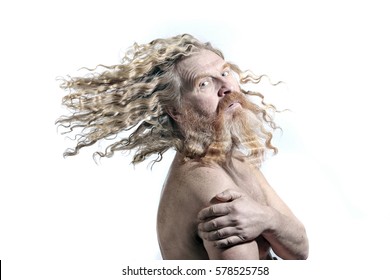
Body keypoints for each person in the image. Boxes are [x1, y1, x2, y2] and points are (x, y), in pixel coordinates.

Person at [56, 34, 309, 260]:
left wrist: (267, 218)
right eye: (204, 84)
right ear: (176, 111)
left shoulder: (230, 159)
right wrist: (272, 224)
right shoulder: (209, 185)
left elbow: (300, 249)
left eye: (225, 72)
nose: (227, 87)